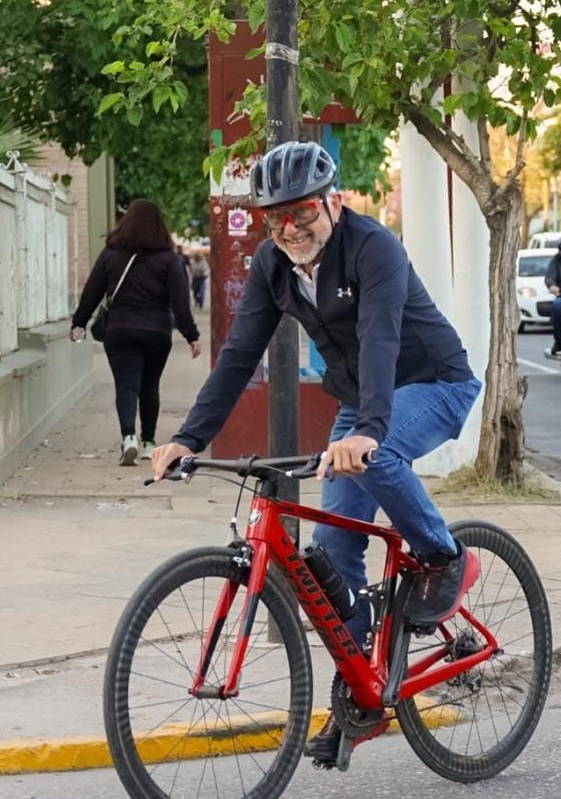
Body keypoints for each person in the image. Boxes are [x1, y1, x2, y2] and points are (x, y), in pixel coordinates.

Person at [149, 140, 483, 767]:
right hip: (362, 401)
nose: (290, 227)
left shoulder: (372, 247)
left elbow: (380, 338)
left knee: (376, 457)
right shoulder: (275, 266)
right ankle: (357, 702)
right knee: (334, 557)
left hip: (434, 382)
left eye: (301, 212)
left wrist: (368, 432)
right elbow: (238, 356)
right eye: (275, 218)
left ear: (333, 201)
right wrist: (189, 438)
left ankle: (446, 558)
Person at [70, 199, 201, 465]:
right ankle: (148, 443)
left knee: (126, 385)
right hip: (157, 333)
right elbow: (180, 302)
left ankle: (128, 437)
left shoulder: (110, 254)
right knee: (149, 386)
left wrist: (79, 321)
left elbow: (92, 291)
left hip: (120, 330)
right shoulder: (169, 259)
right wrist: (191, 335)